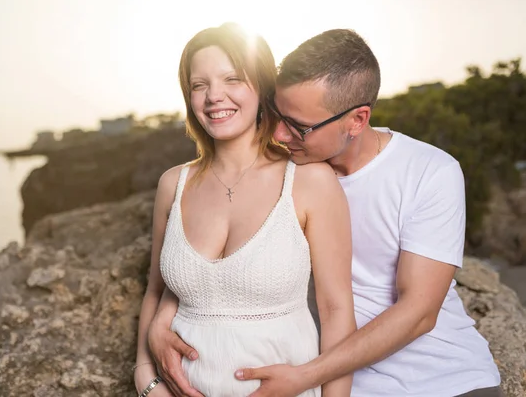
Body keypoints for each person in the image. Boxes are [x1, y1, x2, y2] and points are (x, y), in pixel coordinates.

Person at [148, 29, 504, 397]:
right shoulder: (283, 173)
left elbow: (418, 312)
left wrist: (307, 376)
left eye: (299, 127)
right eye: (277, 114)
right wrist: (163, 318)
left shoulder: (429, 172)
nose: (281, 135)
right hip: (343, 382)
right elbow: (209, 261)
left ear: (357, 120)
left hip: (443, 379)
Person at [134, 23, 356, 397]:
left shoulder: (309, 181)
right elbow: (155, 291)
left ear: (262, 87)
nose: (213, 96)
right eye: (199, 85)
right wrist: (145, 379)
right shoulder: (173, 184)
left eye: (232, 78)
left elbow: (335, 310)